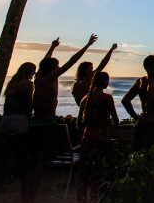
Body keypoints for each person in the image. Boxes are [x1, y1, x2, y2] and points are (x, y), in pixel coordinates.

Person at [24, 34, 98, 202]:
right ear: (52, 69)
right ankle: (31, 198)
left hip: (34, 123)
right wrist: (86, 45)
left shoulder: (38, 78)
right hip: (45, 124)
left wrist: (52, 47)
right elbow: (71, 61)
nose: (59, 69)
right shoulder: (49, 79)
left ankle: (26, 197)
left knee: (32, 163)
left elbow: (44, 61)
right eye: (56, 66)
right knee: (41, 163)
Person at [76, 71, 119, 203]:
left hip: (87, 136)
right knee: (97, 170)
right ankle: (94, 199)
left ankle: (81, 199)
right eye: (108, 80)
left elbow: (79, 123)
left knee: (84, 171)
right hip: (101, 137)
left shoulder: (85, 98)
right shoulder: (106, 98)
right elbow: (116, 120)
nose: (108, 83)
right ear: (105, 82)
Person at [0, 62, 36, 199]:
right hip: (19, 120)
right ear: (30, 72)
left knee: (9, 152)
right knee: (21, 153)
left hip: (6, 119)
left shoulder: (13, 83)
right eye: (33, 73)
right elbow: (28, 104)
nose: (34, 76)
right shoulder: (27, 84)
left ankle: (3, 181)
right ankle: (22, 188)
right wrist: (30, 117)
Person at [121, 55, 154, 150]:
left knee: (138, 154)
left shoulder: (140, 81)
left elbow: (125, 100)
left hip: (142, 123)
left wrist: (136, 117)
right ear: (148, 69)